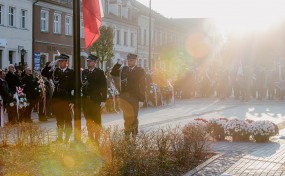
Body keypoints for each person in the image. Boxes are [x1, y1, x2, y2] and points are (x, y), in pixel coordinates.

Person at [41, 54, 75, 143]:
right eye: (59, 61)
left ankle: (67, 138)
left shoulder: (71, 72)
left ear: (66, 62)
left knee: (67, 120)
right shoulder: (55, 71)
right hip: (57, 98)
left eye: (62, 61)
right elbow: (43, 73)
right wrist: (49, 65)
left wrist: (72, 101)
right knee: (59, 120)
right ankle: (59, 138)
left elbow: (74, 87)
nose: (60, 63)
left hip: (67, 98)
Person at [119, 53, 146, 138]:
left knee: (134, 117)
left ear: (135, 61)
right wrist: (119, 63)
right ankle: (127, 135)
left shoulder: (140, 70)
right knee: (126, 117)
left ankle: (134, 136)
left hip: (135, 98)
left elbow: (142, 85)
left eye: (131, 60)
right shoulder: (124, 69)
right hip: (125, 99)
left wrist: (141, 99)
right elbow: (113, 72)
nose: (129, 62)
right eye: (128, 60)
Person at [82, 55, 107, 143]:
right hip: (86, 101)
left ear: (95, 63)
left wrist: (103, 100)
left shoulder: (100, 73)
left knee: (97, 122)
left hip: (96, 101)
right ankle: (91, 139)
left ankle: (96, 139)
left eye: (91, 61)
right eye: (88, 61)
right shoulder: (84, 72)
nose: (89, 63)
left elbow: (104, 87)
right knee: (88, 121)